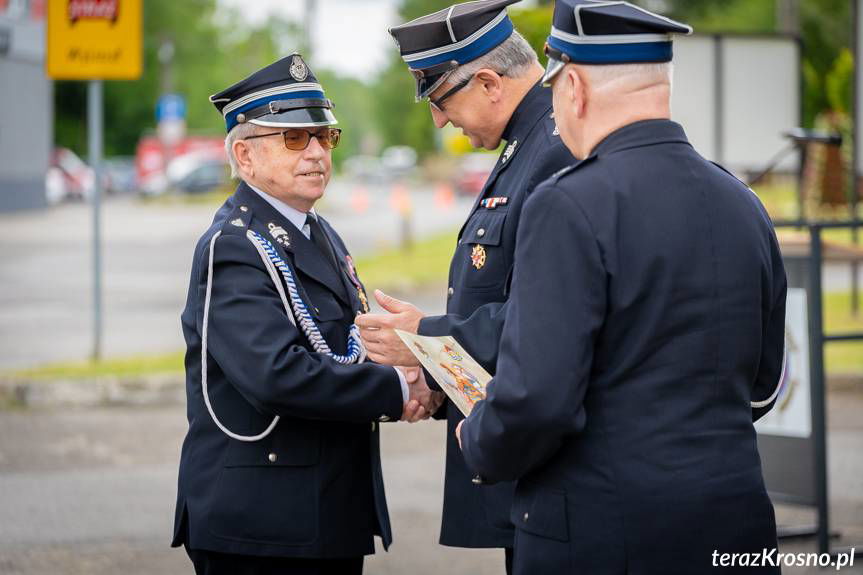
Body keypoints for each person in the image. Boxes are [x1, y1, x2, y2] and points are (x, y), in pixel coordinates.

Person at [456, 2, 787, 574]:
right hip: (735, 524)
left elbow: (538, 401)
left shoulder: (566, 204)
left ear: (575, 87)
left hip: (603, 531)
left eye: (555, 85)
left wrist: (479, 439)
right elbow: (762, 385)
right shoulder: (744, 204)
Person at [171, 53, 436, 575]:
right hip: (261, 523)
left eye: (326, 137)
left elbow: (344, 342)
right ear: (244, 158)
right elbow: (276, 375)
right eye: (294, 138)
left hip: (320, 512)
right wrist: (399, 389)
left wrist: (415, 361)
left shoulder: (315, 229)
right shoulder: (234, 245)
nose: (317, 152)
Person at [355, 1, 574, 572]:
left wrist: (424, 339)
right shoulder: (527, 149)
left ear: (488, 82)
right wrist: (433, 367)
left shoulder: (554, 151)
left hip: (549, 461)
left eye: (440, 100)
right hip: (523, 453)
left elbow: (550, 319)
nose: (439, 121)